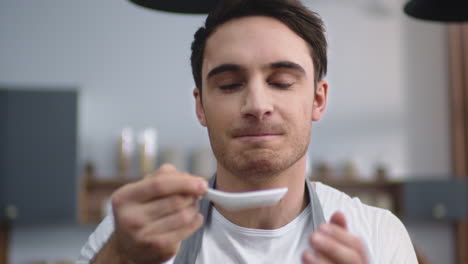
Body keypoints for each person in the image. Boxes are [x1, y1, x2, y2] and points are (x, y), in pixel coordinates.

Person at [78, 0, 418, 263]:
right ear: (200, 107)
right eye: (229, 85)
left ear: (318, 100)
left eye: (281, 82)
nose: (257, 104)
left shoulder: (378, 234)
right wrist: (119, 257)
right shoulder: (129, 237)